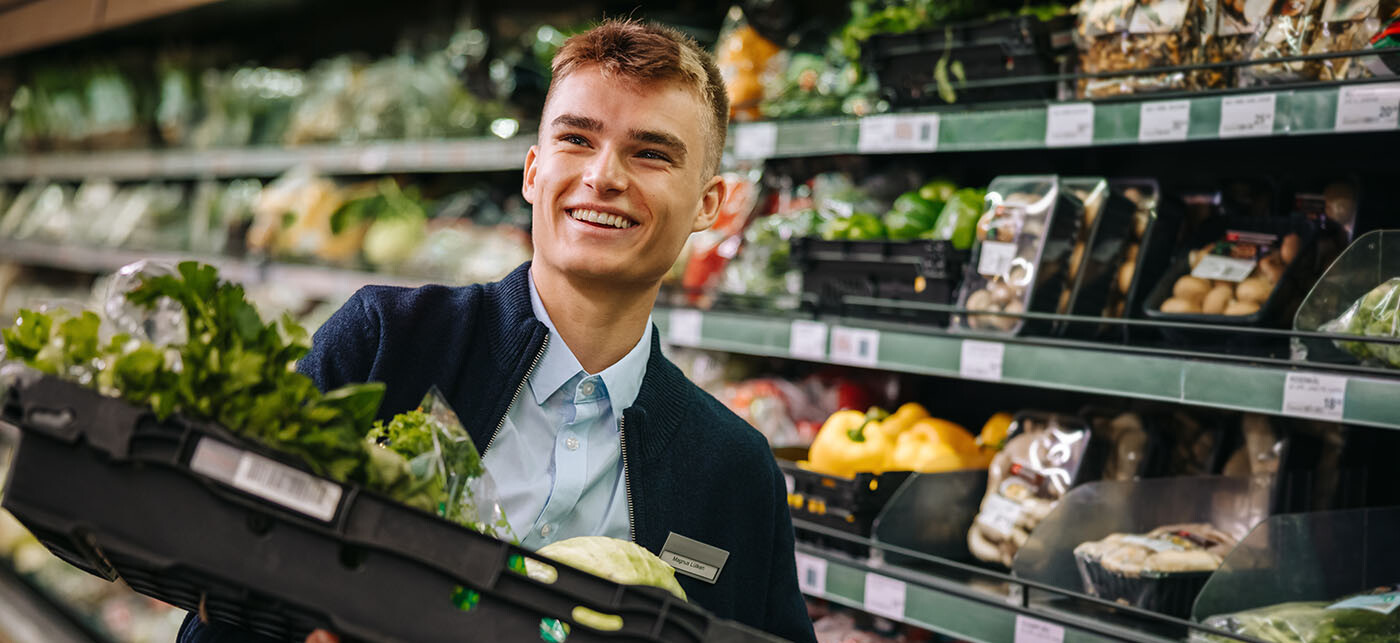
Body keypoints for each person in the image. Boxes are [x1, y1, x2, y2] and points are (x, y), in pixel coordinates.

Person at [178, 18, 816, 643]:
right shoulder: (387, 345)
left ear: (710, 203)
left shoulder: (735, 469)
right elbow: (220, 598)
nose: (604, 177)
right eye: (577, 140)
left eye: (650, 153)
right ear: (533, 171)